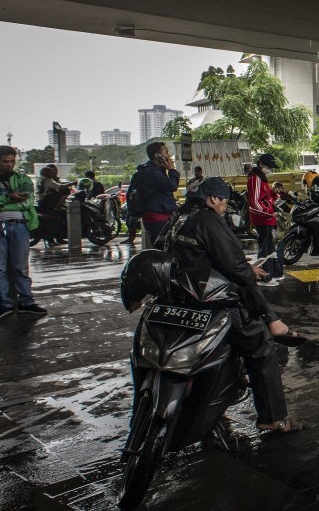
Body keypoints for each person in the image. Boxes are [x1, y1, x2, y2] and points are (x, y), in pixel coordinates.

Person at [162, 176, 299, 433]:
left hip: (176, 302)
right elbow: (237, 271)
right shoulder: (209, 220)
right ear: (214, 199)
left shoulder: (179, 219)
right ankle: (272, 418)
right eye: (224, 201)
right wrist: (252, 278)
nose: (225, 207)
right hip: (210, 305)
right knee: (261, 345)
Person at [0, 146, 47, 321]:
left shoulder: (23, 180)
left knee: (21, 267)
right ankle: (3, 304)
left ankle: (26, 302)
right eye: (5, 161)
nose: (9, 165)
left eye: (12, 161)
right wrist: (8, 198)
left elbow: (27, 202)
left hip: (19, 224)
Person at [247, 153, 283, 286]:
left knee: (269, 248)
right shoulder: (255, 178)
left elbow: (266, 199)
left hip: (267, 218)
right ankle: (264, 277)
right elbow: (255, 202)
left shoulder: (261, 178)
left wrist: (275, 193)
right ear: (261, 164)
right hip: (263, 219)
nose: (270, 169)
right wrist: (269, 212)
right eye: (269, 166)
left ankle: (271, 274)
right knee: (266, 249)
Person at [134, 141, 181, 245]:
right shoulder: (152, 172)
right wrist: (171, 170)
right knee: (163, 246)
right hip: (157, 217)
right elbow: (172, 186)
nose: (168, 155)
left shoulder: (154, 171)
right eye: (166, 152)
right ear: (157, 155)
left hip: (158, 215)